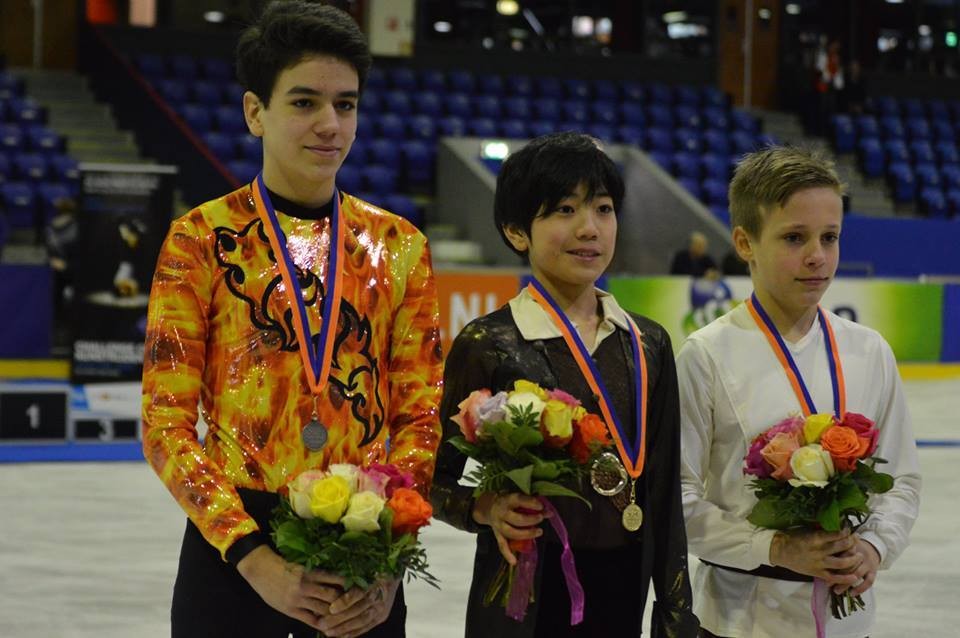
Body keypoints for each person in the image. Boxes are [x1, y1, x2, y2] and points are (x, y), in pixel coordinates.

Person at [140, 2, 443, 637]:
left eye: (346, 104)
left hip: (365, 541)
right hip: (234, 547)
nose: (330, 124)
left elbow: (421, 416)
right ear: (256, 111)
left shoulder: (399, 247)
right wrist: (253, 558)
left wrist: (389, 557)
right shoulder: (199, 239)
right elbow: (165, 424)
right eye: (304, 103)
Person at [431, 132, 699, 638]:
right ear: (516, 231)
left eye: (602, 208)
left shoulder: (648, 344)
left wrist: (676, 614)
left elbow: (663, 495)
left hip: (623, 591)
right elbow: (434, 473)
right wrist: (485, 507)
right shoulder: (489, 342)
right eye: (563, 210)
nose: (589, 228)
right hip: (522, 595)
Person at [676, 146, 921, 638]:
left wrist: (873, 547)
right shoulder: (705, 354)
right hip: (738, 620)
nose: (817, 256)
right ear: (744, 243)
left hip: (848, 620)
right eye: (794, 237)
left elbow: (903, 480)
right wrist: (776, 548)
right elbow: (677, 501)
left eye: (830, 237)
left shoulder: (869, 350)